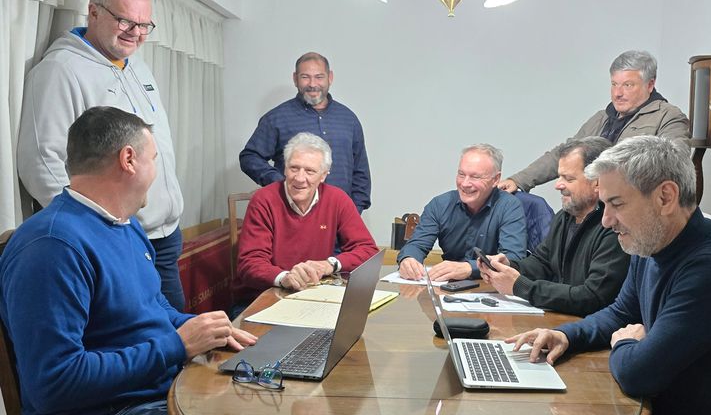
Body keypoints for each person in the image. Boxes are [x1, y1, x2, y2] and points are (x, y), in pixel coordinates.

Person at [507, 136, 711, 415]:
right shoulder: (650, 244)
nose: (606, 220)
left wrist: (624, 344)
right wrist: (566, 336)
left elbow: (638, 374)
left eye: (617, 204)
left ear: (665, 197)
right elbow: (620, 313)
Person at [0, 106, 257, 415]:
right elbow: (53, 384)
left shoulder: (126, 223)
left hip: (145, 399)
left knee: (258, 407)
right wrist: (176, 345)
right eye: (154, 159)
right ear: (129, 159)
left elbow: (153, 306)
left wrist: (202, 329)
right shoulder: (51, 246)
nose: (157, 172)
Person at [17, 0, 187, 311]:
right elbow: (42, 163)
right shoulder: (61, 70)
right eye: (126, 21)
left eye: (144, 25)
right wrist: (98, 234)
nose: (136, 33)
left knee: (178, 335)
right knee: (138, 337)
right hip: (116, 241)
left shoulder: (139, 69)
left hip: (164, 237)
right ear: (94, 11)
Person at [498, 50, 690, 193]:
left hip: (631, 211)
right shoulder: (601, 117)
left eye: (628, 85)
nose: (618, 93)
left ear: (650, 84)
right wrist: (519, 180)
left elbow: (675, 165)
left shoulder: (668, 116)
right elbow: (564, 154)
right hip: (590, 210)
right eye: (614, 84)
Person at [479, 137, 629, 316]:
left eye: (568, 178)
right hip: (560, 318)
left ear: (597, 182)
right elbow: (542, 263)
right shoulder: (563, 217)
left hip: (589, 325)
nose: (558, 185)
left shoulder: (615, 227)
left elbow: (592, 297)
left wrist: (520, 286)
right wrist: (509, 266)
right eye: (559, 177)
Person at [235, 133, 378, 294]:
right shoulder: (263, 200)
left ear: (323, 175)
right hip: (266, 293)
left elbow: (368, 250)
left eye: (310, 171)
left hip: (313, 292)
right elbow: (250, 263)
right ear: (285, 168)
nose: (300, 178)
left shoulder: (338, 199)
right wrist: (284, 278)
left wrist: (329, 264)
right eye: (294, 168)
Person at [239, 52, 371, 213]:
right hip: (291, 215)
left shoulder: (348, 119)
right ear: (295, 79)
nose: (312, 84)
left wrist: (354, 210)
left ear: (330, 78)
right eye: (305, 77)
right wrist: (281, 183)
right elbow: (249, 157)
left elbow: (361, 170)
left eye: (319, 77)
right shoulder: (277, 118)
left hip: (340, 216)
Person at [398, 144, 527, 282]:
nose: (465, 184)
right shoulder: (439, 205)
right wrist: (408, 259)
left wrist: (470, 268)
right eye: (461, 174)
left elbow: (513, 259)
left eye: (475, 177)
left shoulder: (509, 207)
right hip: (447, 287)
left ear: (495, 179)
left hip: (491, 287)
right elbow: (416, 245)